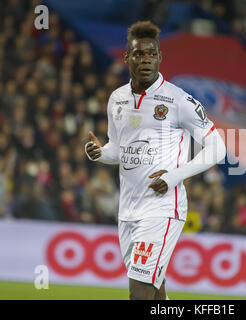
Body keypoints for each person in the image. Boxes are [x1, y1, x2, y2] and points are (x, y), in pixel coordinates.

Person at [85, 21, 226, 300]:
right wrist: (101, 154)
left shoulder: (178, 100)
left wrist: (174, 177)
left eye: (151, 54)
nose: (146, 59)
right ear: (127, 58)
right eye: (139, 54)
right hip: (128, 209)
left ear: (160, 57)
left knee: (139, 293)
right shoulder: (117, 99)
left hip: (162, 209)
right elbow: (118, 149)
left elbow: (218, 147)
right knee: (154, 292)